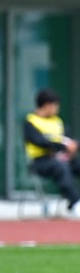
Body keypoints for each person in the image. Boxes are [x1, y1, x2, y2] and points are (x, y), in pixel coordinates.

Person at [23, 88, 80, 218]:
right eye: (55, 105)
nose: (57, 108)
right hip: (40, 162)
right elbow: (39, 141)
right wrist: (61, 146)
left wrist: (73, 145)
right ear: (47, 105)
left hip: (62, 159)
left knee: (73, 164)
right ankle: (76, 203)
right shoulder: (31, 121)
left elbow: (69, 139)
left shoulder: (57, 121)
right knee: (61, 167)